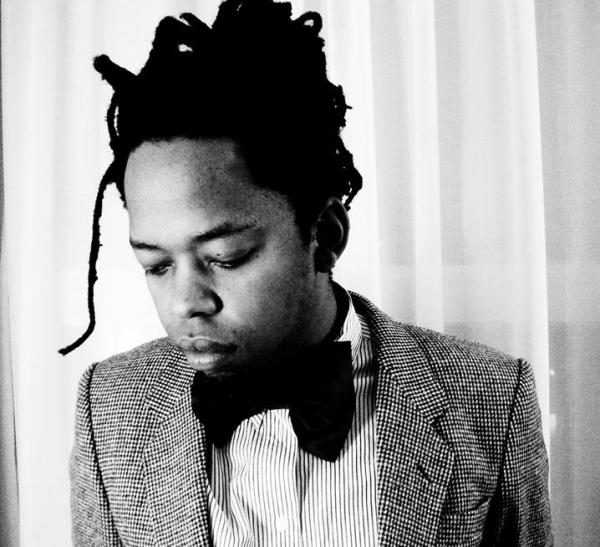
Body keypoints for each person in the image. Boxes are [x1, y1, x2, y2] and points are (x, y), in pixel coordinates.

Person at [65, 0, 552, 545]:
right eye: (155, 265)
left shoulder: (491, 398)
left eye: (225, 257)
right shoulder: (108, 407)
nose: (185, 302)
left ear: (326, 234)